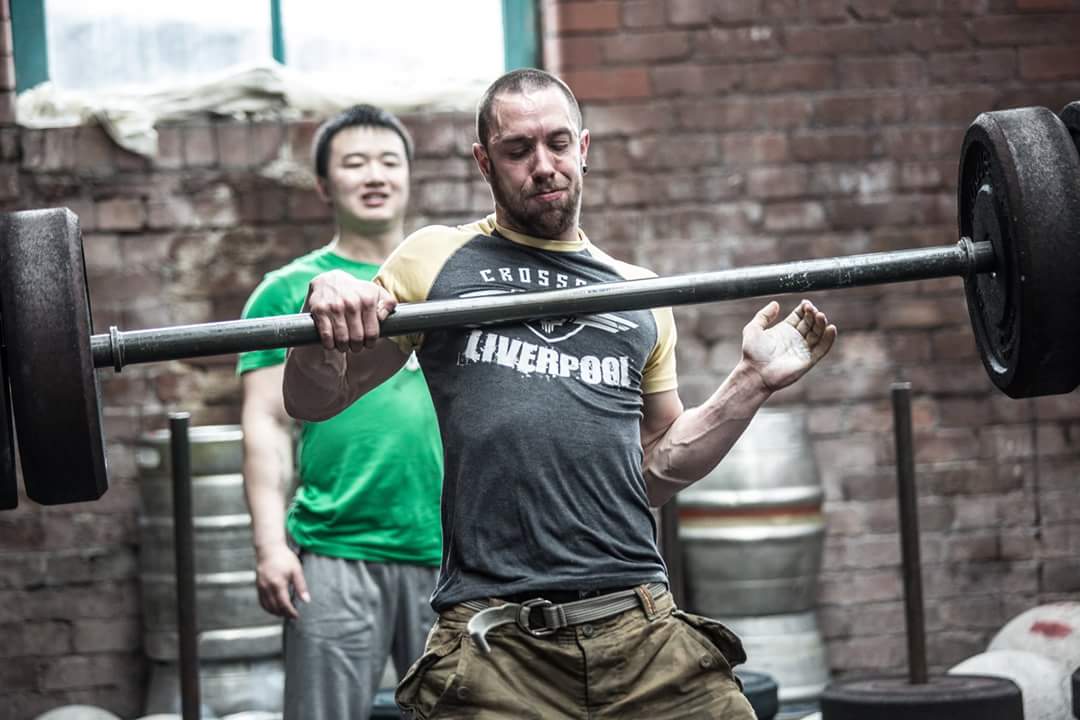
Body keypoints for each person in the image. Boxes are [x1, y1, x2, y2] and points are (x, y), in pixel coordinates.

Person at [283, 70, 837, 719]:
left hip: (641, 627)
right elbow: (315, 399)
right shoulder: (434, 260)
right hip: (497, 641)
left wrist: (750, 383)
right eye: (518, 150)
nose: (543, 166)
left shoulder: (637, 292)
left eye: (557, 143)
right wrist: (322, 320)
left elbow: (655, 467)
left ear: (584, 148)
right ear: (484, 162)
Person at [237, 104, 443, 720]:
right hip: (333, 550)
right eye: (355, 163)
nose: (375, 175)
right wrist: (270, 546)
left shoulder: (444, 282)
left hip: (451, 554)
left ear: (408, 175)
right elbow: (267, 424)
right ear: (325, 185)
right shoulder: (285, 290)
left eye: (389, 162)